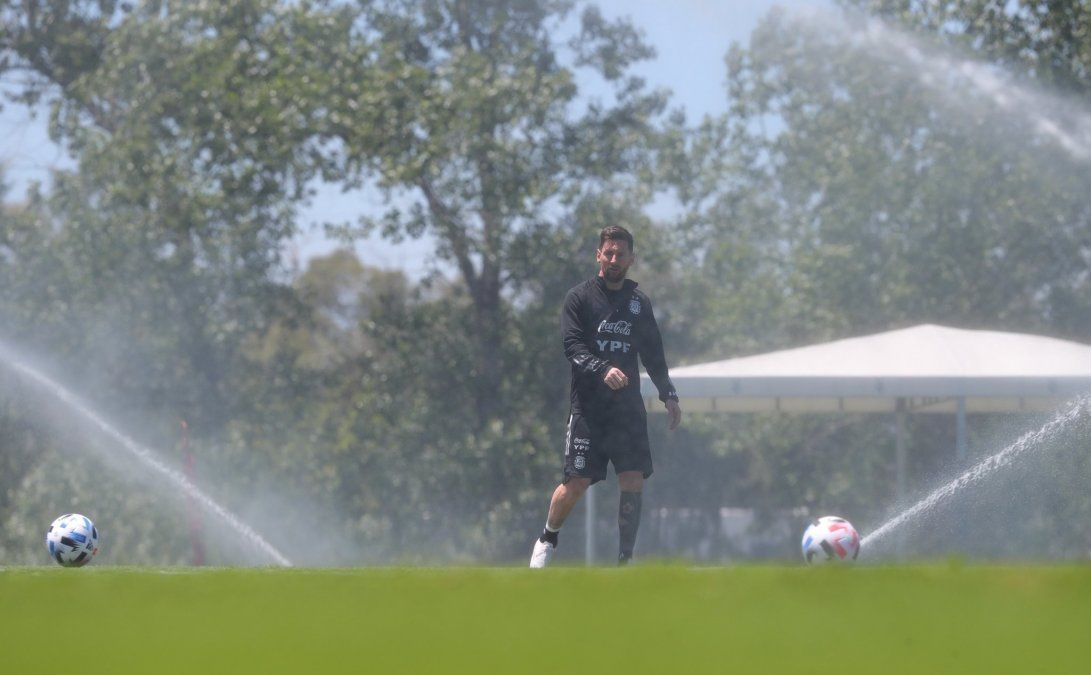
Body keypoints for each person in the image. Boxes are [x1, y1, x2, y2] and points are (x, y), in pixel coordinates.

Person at [530, 225, 682, 567]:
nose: (614, 259)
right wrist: (602, 369)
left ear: (631, 258)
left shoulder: (639, 304)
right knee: (577, 481)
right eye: (608, 253)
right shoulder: (579, 298)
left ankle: (625, 560)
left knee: (632, 479)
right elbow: (572, 346)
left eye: (621, 254)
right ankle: (547, 538)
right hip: (588, 410)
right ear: (598, 254)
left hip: (627, 411)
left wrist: (668, 393)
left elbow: (653, 353)